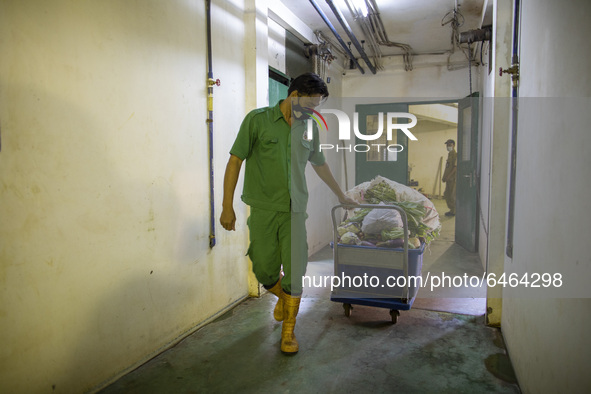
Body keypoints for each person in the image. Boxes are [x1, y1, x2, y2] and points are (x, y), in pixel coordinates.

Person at [220, 73, 355, 355]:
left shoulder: (309, 128)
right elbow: (235, 160)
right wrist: (226, 205)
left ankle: (289, 332)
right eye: (310, 105)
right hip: (264, 208)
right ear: (293, 96)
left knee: (296, 269)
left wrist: (341, 194)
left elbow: (319, 164)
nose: (313, 111)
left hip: (296, 210)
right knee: (263, 268)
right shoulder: (257, 121)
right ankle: (283, 299)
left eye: (317, 106)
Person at [442, 139, 457, 216]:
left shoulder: (455, 155)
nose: (448, 147)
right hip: (448, 179)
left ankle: (454, 211)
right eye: (447, 145)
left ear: (453, 145)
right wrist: (444, 177)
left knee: (452, 196)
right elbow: (447, 168)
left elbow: (455, 167)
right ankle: (452, 210)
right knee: (447, 194)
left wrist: (448, 176)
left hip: (453, 179)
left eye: (450, 145)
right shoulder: (450, 155)